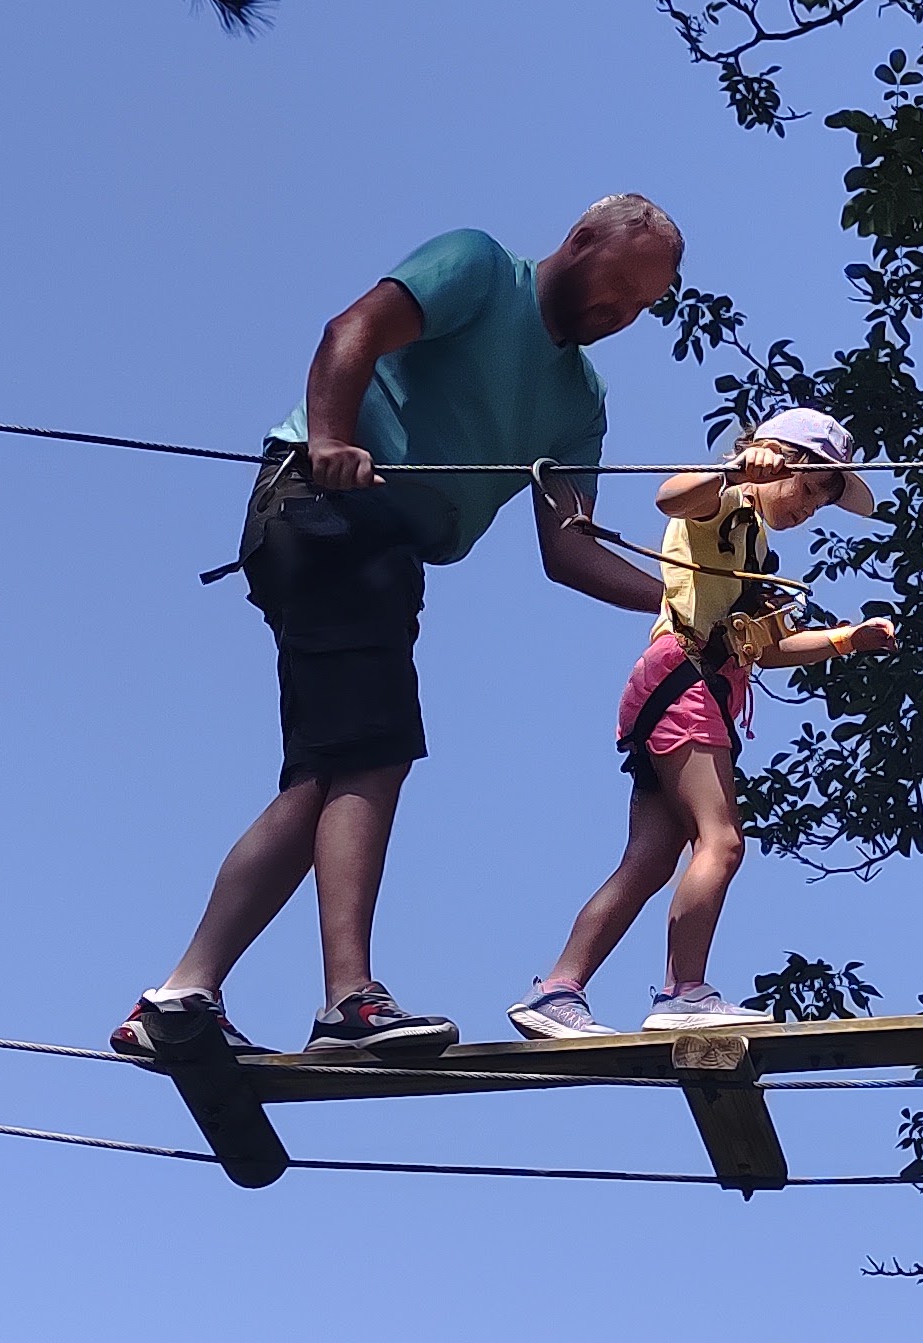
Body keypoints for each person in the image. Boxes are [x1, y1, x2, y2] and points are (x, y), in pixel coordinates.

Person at [117, 200, 681, 1065]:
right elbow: (352, 331)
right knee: (374, 755)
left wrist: (687, 605)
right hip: (324, 509)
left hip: (389, 555)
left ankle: (179, 995)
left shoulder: (579, 398)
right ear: (579, 243)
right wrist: (331, 440)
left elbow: (568, 549)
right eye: (620, 288)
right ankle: (349, 1001)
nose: (621, 314)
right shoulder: (479, 268)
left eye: (641, 307)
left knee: (326, 775)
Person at [509, 412, 897, 1037]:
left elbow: (766, 649)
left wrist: (845, 640)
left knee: (649, 860)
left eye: (820, 503)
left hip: (689, 689)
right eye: (806, 488)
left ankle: (558, 989)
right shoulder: (722, 504)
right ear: (776, 460)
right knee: (722, 841)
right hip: (682, 683)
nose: (807, 509)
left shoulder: (756, 550)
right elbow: (671, 496)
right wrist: (738, 470)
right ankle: (684, 992)